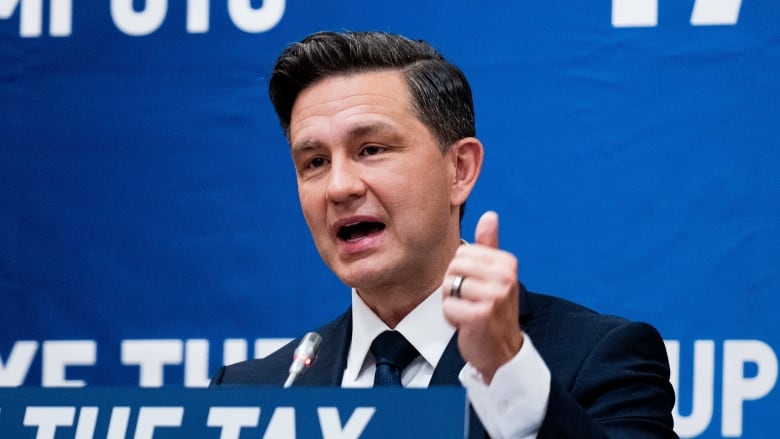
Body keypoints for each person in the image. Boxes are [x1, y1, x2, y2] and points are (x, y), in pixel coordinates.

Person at [211, 31, 677, 438]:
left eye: (371, 149)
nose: (339, 186)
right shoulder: (252, 394)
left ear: (460, 169)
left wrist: (504, 368)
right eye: (314, 162)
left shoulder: (598, 360)